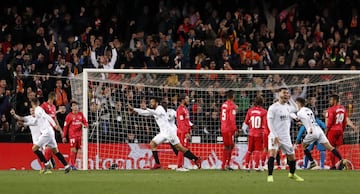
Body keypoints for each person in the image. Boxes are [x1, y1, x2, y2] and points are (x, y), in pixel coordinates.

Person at [128, 97, 202, 170]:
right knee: (152, 144)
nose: (151, 103)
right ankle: (157, 164)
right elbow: (144, 112)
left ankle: (196, 159)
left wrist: (190, 125)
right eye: (150, 102)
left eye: (152, 102)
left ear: (156, 103)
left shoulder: (160, 108)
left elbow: (157, 113)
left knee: (180, 148)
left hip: (169, 132)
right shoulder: (154, 110)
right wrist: (134, 109)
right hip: (163, 133)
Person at [295, 97, 344, 170]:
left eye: (296, 103)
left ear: (298, 103)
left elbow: (305, 120)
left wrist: (306, 126)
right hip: (319, 130)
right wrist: (302, 123)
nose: (295, 105)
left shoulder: (300, 112)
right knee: (330, 147)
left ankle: (312, 162)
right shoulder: (309, 109)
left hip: (312, 131)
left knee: (304, 146)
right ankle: (342, 160)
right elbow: (310, 119)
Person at [266, 87, 303, 182]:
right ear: (279, 94)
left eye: (287, 93)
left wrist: (290, 98)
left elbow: (295, 108)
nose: (286, 94)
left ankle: (292, 174)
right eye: (284, 93)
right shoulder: (273, 108)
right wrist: (275, 135)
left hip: (286, 137)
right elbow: (269, 123)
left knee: (292, 158)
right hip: (275, 135)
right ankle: (270, 176)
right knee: (272, 154)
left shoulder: (288, 107)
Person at [28, 98, 71, 173]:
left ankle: (46, 163)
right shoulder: (40, 110)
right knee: (55, 151)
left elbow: (47, 116)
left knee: (34, 148)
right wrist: (54, 125)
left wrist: (54, 125)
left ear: (32, 104)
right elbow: (44, 118)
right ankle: (66, 166)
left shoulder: (38, 109)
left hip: (46, 132)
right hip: (50, 132)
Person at [11, 107, 53, 173]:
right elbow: (20, 118)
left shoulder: (40, 117)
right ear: (30, 112)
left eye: (33, 110)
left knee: (47, 151)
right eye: (31, 111)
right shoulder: (28, 118)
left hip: (43, 137)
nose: (32, 112)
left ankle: (48, 166)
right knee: (40, 155)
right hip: (36, 140)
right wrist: (14, 115)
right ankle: (43, 168)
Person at [242, 96, 268, 171]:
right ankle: (256, 166)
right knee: (257, 150)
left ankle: (246, 166)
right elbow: (265, 124)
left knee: (249, 150)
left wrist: (246, 131)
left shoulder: (250, 111)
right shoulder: (264, 112)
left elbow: (246, 123)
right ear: (262, 102)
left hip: (251, 133)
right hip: (259, 134)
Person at [62, 100, 88, 170]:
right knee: (73, 150)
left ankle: (72, 164)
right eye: (73, 105)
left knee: (76, 151)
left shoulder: (81, 114)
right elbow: (65, 126)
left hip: (79, 136)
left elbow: (85, 122)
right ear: (71, 107)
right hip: (72, 136)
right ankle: (72, 165)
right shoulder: (69, 116)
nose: (75, 107)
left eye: (76, 105)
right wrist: (64, 136)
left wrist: (85, 125)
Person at [40, 91, 63, 168]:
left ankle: (50, 159)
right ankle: (44, 166)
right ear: (52, 97)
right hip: (45, 130)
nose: (57, 98)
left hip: (52, 131)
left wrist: (58, 127)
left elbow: (54, 117)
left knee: (51, 148)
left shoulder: (53, 106)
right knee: (48, 148)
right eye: (56, 97)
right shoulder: (44, 105)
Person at [326, 94, 348, 170]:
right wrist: (342, 130)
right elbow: (345, 122)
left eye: (331, 100)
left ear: (335, 101)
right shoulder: (343, 109)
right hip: (340, 130)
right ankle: (340, 164)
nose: (330, 101)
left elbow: (330, 122)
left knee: (331, 148)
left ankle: (333, 166)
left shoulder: (331, 109)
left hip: (332, 130)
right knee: (337, 149)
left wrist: (326, 131)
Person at [220, 90, 238, 170]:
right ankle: (226, 165)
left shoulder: (224, 104)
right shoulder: (232, 106)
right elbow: (232, 119)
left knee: (227, 146)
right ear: (233, 96)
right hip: (229, 129)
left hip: (223, 128)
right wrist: (235, 129)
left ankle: (224, 165)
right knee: (230, 146)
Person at [176, 94, 194, 171]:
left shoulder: (185, 108)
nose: (188, 100)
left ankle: (181, 165)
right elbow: (181, 123)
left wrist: (190, 129)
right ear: (183, 100)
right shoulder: (180, 109)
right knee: (182, 148)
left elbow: (186, 121)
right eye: (187, 99)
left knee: (184, 148)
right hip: (182, 132)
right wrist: (186, 132)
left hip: (185, 131)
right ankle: (179, 166)